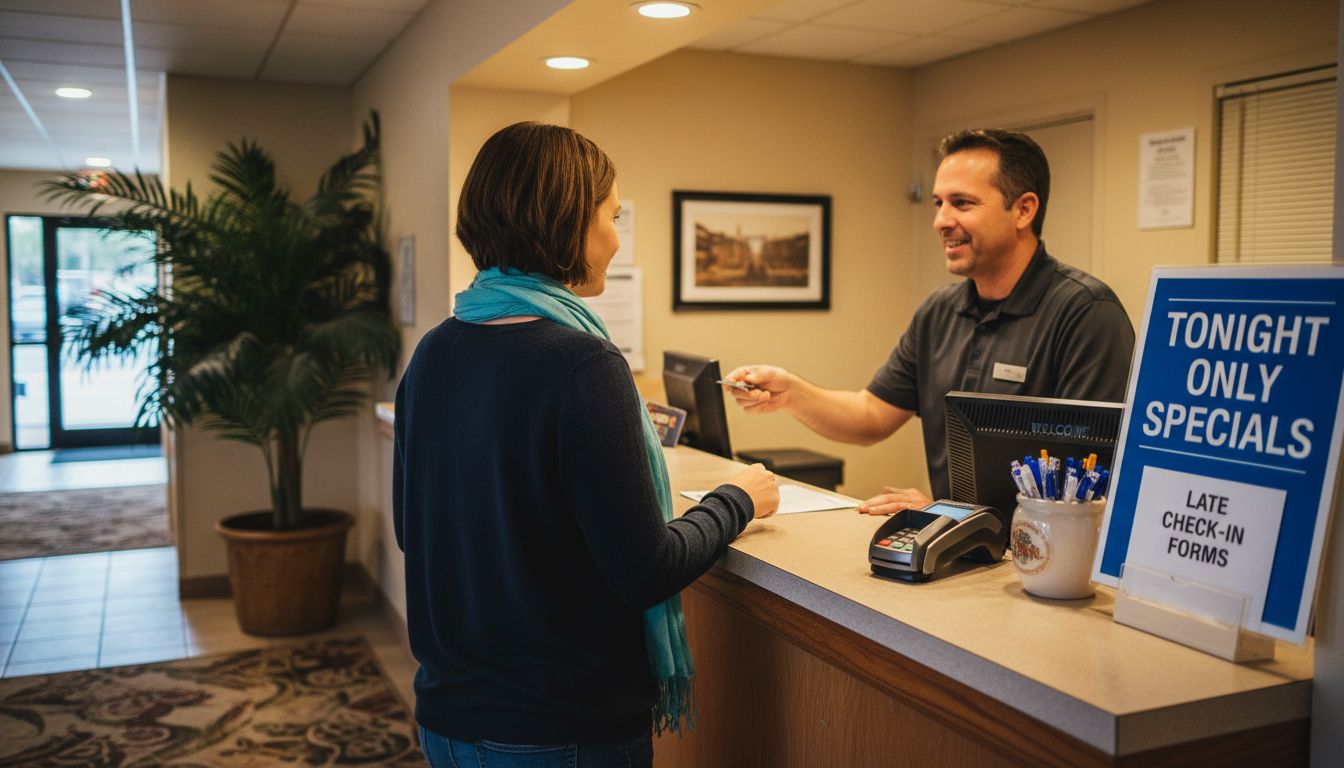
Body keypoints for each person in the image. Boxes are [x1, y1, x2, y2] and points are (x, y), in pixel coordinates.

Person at [393, 121, 779, 768]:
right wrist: (736, 499)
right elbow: (645, 569)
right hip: (558, 733)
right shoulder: (581, 364)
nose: (615, 238)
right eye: (611, 215)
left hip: (446, 723)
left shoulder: (434, 351)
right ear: (566, 222)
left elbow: (416, 534)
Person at [726, 128, 1134, 516]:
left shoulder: (1087, 314)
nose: (940, 220)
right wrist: (790, 392)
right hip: (956, 551)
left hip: (1038, 564)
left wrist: (947, 513)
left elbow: (1083, 485)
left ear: (1024, 210)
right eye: (938, 203)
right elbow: (871, 416)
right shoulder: (939, 312)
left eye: (962, 203)